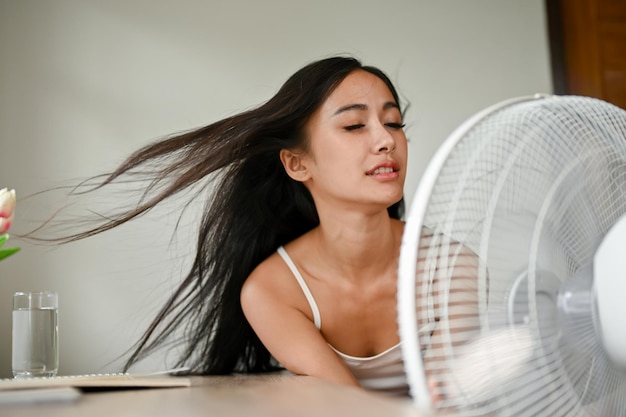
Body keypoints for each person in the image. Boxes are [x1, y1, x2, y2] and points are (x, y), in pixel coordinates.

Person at [44, 55, 410, 395]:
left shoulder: (447, 266)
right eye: (354, 125)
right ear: (297, 164)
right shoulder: (273, 292)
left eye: (393, 122)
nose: (385, 140)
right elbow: (348, 407)